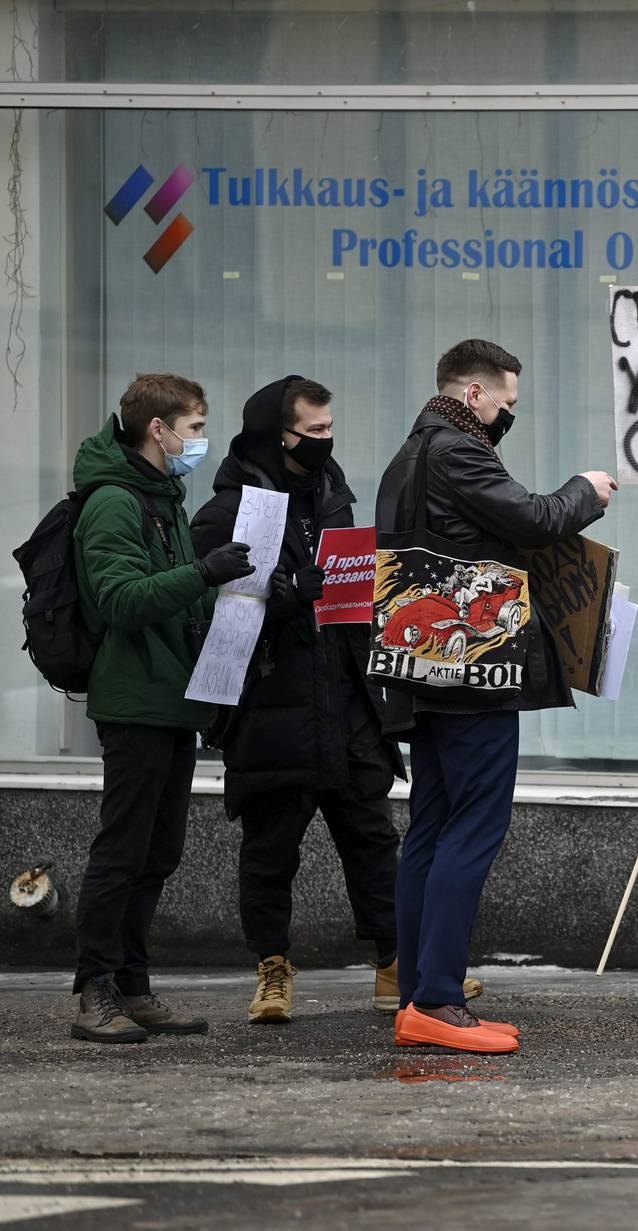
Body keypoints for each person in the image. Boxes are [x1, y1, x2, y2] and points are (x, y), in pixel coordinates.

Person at [377, 340, 613, 1055]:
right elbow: (537, 517)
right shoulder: (457, 449)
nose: (510, 410)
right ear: (473, 392)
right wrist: (587, 490)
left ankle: (420, 992)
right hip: (472, 668)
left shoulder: (408, 453)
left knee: (431, 827)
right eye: (505, 399)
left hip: (426, 666)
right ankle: (439, 999)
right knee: (471, 829)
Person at [191, 376, 417, 1023]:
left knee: (373, 842)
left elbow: (348, 603)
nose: (327, 439)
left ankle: (394, 964)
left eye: (329, 427)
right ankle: (272, 971)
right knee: (269, 851)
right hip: (272, 710)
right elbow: (203, 615)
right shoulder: (230, 511)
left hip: (344, 705)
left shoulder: (332, 495)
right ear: (277, 434)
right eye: (314, 430)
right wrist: (287, 592)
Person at [67, 373, 244, 1043]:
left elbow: (180, 603)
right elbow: (120, 600)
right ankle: (95, 989)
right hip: (135, 698)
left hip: (172, 699)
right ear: (158, 430)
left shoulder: (161, 496)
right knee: (122, 849)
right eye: (194, 428)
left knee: (158, 850)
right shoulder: (115, 501)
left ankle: (134, 984)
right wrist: (203, 572)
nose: (200, 440)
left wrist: (249, 592)